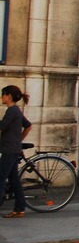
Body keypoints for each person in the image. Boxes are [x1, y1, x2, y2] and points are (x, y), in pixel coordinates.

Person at [0, 85, 32, 218]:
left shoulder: (12, 110)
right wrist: (19, 140)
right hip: (13, 148)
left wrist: (17, 140)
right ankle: (20, 208)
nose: (1, 97)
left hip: (9, 149)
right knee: (14, 180)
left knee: (1, 178)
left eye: (3, 94)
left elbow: (2, 127)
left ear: (10, 97)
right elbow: (28, 125)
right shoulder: (16, 110)